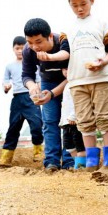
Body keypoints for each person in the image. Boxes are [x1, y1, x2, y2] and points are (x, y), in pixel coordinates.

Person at [45, 0, 108, 173]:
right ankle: (92, 164)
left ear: (92, 0)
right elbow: (65, 53)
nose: (79, 9)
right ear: (69, 4)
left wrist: (103, 61)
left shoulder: (102, 24)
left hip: (101, 79)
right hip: (77, 83)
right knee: (84, 124)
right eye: (74, 5)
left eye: (83, 4)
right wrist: (51, 57)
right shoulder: (67, 30)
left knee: (105, 120)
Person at [21, 18, 75, 172]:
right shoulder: (28, 50)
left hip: (69, 83)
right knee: (49, 121)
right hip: (47, 83)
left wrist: (53, 94)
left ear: (50, 36)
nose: (34, 47)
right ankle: (51, 161)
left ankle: (70, 161)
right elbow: (26, 75)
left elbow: (72, 76)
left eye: (38, 42)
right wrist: (32, 87)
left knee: (69, 121)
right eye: (30, 42)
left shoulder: (64, 43)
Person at [0, 36, 44, 168]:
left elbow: (39, 79)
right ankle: (6, 158)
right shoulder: (9, 66)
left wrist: (38, 92)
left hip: (31, 98)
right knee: (13, 128)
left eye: (22, 48)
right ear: (13, 49)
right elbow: (5, 81)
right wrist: (6, 87)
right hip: (16, 99)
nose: (20, 51)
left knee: (37, 124)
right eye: (17, 48)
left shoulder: (32, 63)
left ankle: (38, 153)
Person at [59, 83, 86, 169]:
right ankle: (79, 164)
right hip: (66, 123)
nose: (66, 72)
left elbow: (80, 101)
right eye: (64, 69)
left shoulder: (77, 82)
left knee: (80, 147)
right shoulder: (67, 85)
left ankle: (82, 167)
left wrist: (74, 115)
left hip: (76, 122)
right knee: (69, 147)